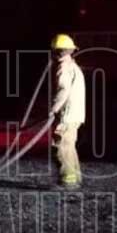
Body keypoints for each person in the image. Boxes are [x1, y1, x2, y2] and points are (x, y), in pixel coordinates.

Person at [49, 34, 86, 189]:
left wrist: (53, 109)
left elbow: (63, 90)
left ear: (57, 52)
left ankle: (68, 181)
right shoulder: (73, 66)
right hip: (75, 114)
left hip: (67, 115)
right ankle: (75, 178)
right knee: (69, 146)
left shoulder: (63, 68)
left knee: (61, 147)